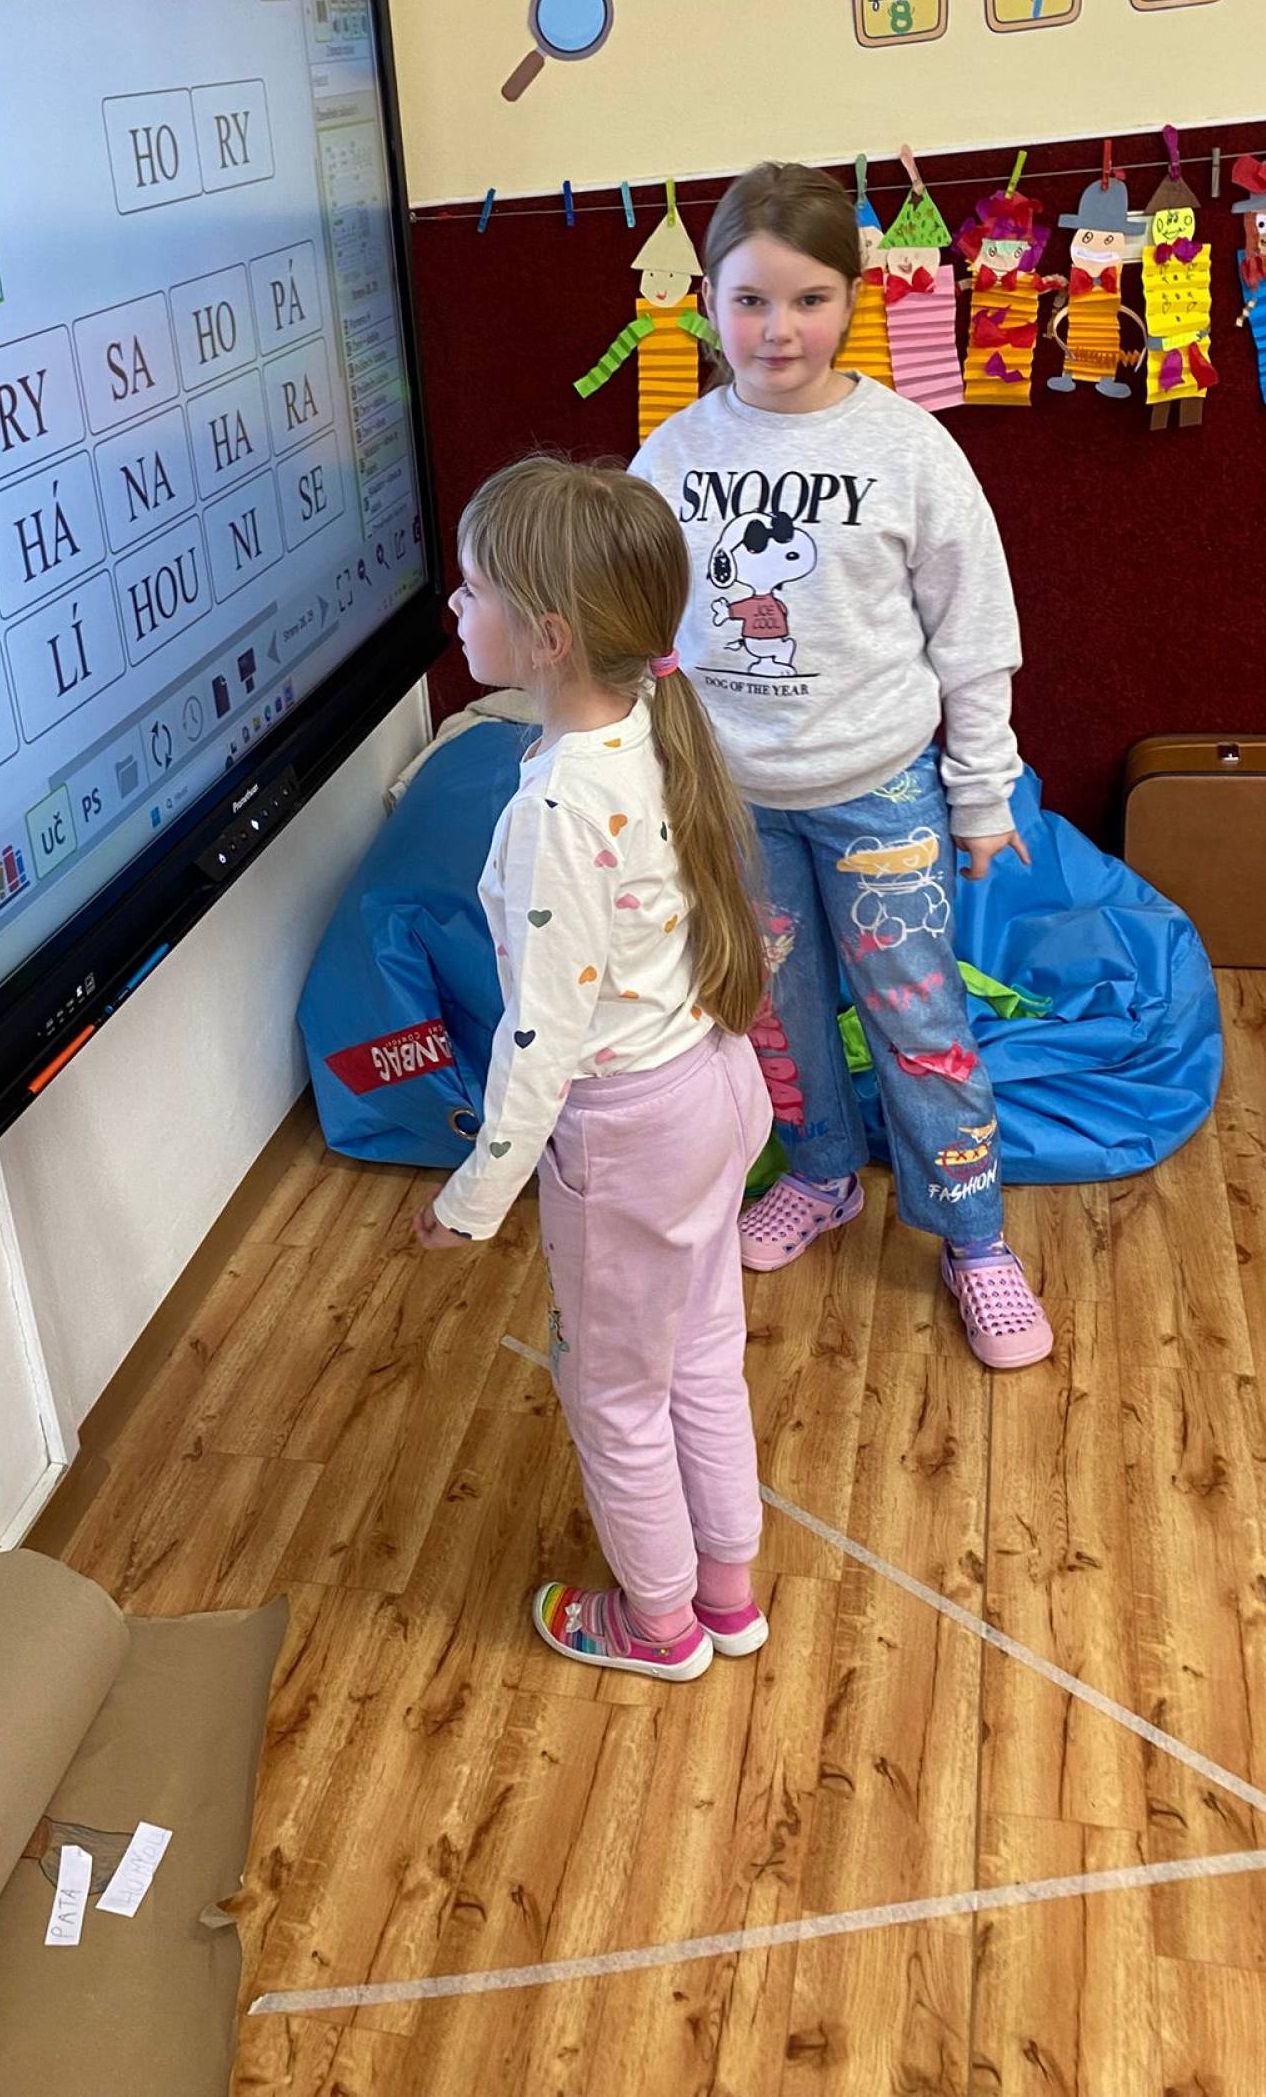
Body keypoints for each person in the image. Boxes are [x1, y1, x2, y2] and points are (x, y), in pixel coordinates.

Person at [630, 161, 1053, 1372]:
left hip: (880, 794)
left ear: (854, 300)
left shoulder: (909, 448)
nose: (779, 329)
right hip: (730, 802)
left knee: (920, 1019)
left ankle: (973, 1236)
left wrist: (982, 794)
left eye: (810, 299)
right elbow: (640, 629)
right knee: (772, 1011)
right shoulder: (672, 453)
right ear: (709, 302)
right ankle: (820, 1175)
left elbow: (975, 635)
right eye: (751, 300)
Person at [417, 457, 773, 1683]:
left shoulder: (557, 812)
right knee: (702, 1355)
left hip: (629, 1138)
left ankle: (659, 1624)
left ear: (550, 635)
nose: (456, 608)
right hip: (711, 1091)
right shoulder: (652, 727)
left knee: (615, 1391)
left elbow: (541, 1041)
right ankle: (727, 1591)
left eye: (473, 590)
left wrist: (473, 1199)